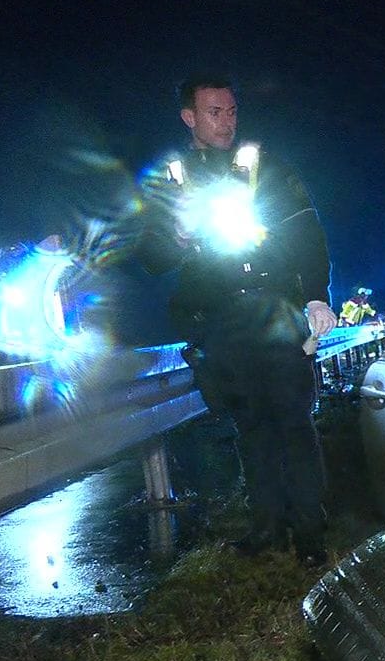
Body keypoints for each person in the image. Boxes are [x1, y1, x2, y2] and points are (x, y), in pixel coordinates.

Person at [139, 73, 337, 562]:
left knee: (293, 421)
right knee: (250, 425)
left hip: (276, 308)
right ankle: (266, 523)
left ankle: (310, 530)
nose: (226, 121)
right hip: (221, 318)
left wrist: (315, 295)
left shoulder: (265, 167)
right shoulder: (171, 180)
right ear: (189, 117)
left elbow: (306, 232)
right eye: (214, 112)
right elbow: (151, 257)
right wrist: (178, 237)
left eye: (231, 111)